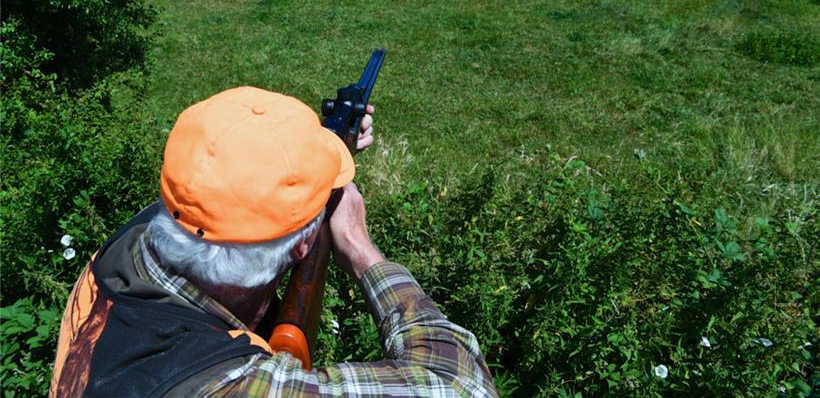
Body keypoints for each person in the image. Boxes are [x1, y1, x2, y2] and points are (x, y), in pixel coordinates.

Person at [50, 86, 498, 397]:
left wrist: (313, 166)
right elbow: (464, 387)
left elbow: (233, 183)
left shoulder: (124, 251)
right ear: (303, 246)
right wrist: (359, 249)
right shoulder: (231, 385)